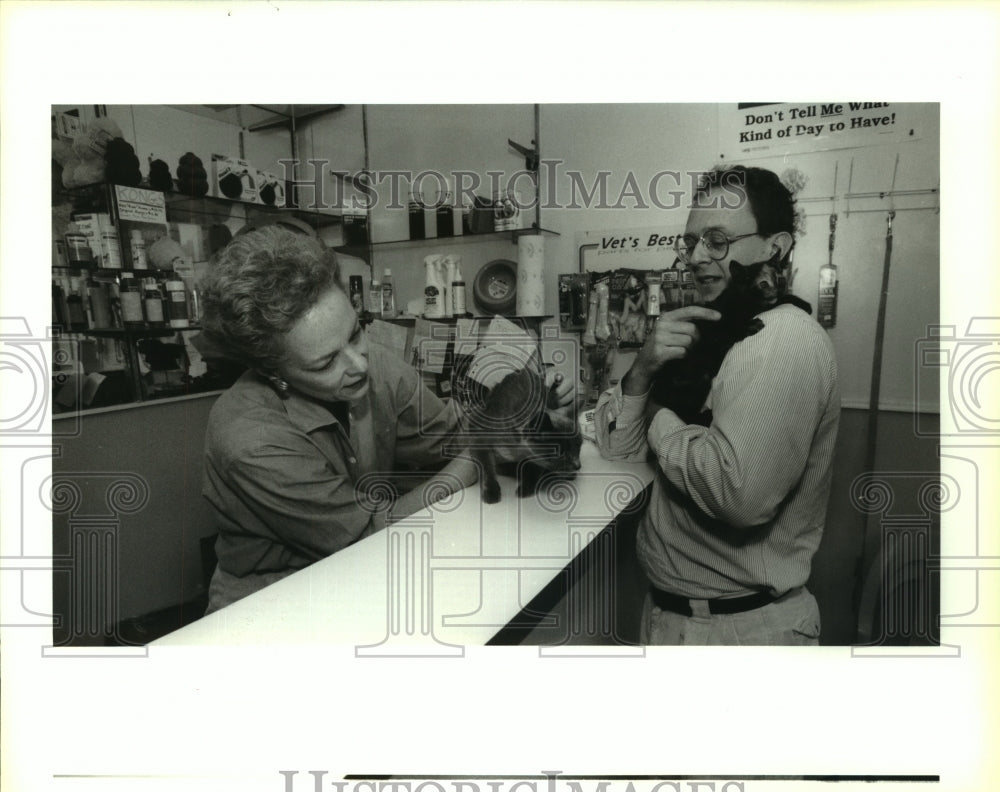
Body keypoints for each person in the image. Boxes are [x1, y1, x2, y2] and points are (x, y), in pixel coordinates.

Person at [199, 226, 573, 612]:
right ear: (272, 370)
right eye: (327, 362)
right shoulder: (249, 439)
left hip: (366, 576)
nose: (359, 363)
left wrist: (530, 418)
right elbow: (369, 535)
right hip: (271, 603)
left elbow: (454, 435)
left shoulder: (375, 366)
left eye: (355, 332)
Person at [595, 166, 840, 645]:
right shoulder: (709, 330)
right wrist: (642, 370)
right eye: (691, 242)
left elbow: (738, 497)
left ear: (775, 248)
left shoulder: (780, 340)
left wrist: (658, 414)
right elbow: (618, 454)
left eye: (717, 240)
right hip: (682, 617)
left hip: (738, 631)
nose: (697, 257)